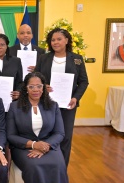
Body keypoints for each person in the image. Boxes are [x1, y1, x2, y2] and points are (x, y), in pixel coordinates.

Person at [6, 72, 68, 183]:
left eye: (39, 86)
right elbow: (11, 136)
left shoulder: (53, 106)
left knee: (58, 166)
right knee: (34, 166)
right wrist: (34, 144)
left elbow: (60, 133)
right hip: (24, 147)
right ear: (25, 88)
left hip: (50, 146)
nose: (35, 90)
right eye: (31, 86)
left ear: (44, 88)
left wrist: (44, 146)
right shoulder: (15, 107)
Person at [35, 28, 89, 166]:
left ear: (66, 40)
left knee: (65, 137)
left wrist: (76, 98)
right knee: (45, 134)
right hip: (46, 103)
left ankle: (62, 169)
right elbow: (35, 78)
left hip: (68, 105)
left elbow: (83, 81)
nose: (55, 42)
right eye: (53, 40)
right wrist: (42, 85)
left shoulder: (76, 59)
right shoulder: (43, 58)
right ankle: (46, 165)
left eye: (59, 39)